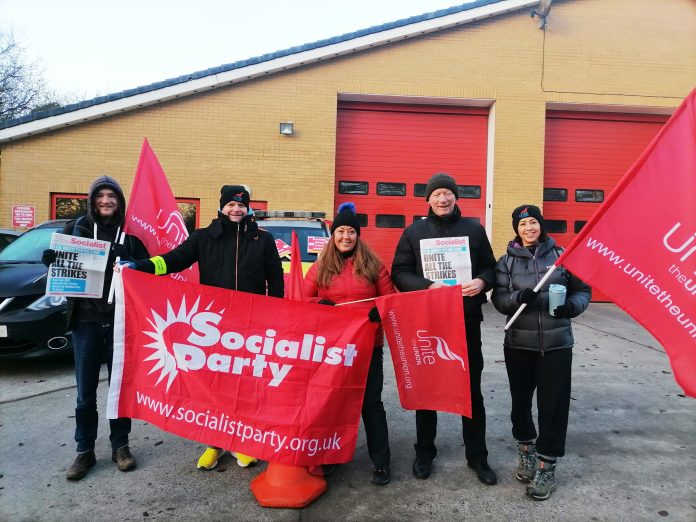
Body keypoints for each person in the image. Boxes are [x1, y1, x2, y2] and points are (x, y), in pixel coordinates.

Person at [125, 185, 284, 470]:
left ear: (247, 208)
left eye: (241, 205)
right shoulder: (204, 237)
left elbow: (276, 280)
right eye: (230, 205)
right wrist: (140, 267)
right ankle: (215, 443)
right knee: (215, 386)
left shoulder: (263, 239)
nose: (236, 210)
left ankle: (242, 442)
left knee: (245, 384)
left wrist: (275, 315)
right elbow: (174, 260)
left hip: (251, 327)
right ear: (221, 207)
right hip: (214, 326)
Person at [391, 172, 498, 486]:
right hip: (429, 323)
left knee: (470, 391)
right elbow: (399, 272)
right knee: (429, 390)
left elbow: (489, 266)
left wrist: (482, 281)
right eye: (436, 194)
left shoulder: (474, 230)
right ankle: (425, 452)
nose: (442, 199)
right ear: (428, 200)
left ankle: (477, 456)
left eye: (447, 193)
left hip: (466, 322)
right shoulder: (414, 232)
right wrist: (429, 285)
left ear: (456, 197)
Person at [42, 175, 149, 481]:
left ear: (119, 201)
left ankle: (121, 447)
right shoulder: (74, 231)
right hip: (85, 323)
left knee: (119, 389)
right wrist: (50, 262)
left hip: (120, 324)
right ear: (92, 200)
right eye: (100, 196)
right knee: (85, 393)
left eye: (111, 196)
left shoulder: (129, 238)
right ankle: (84, 451)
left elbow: (149, 276)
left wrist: (128, 261)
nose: (106, 201)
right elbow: (62, 272)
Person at [491, 204, 591, 501]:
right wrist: (517, 297)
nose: (529, 228)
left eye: (533, 222)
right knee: (520, 403)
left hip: (557, 345)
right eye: (523, 224)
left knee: (553, 406)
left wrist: (572, 307)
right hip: (519, 345)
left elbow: (583, 290)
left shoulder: (563, 256)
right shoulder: (506, 262)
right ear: (516, 229)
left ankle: (547, 465)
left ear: (541, 225)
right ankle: (526, 453)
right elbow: (498, 298)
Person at [303, 202, 394, 486]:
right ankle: (329, 456)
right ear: (333, 235)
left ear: (358, 235)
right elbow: (300, 301)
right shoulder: (320, 267)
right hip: (333, 350)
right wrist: (321, 303)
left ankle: (381, 462)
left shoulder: (373, 264)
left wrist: (380, 310)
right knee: (334, 403)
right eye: (341, 231)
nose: (346, 236)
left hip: (369, 346)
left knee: (371, 403)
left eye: (351, 231)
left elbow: (390, 299)